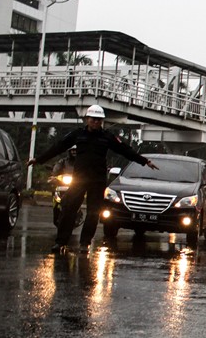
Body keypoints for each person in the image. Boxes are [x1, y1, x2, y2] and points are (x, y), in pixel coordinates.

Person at [29, 105, 158, 253]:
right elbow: (58, 147)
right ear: (87, 120)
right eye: (93, 119)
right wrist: (38, 160)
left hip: (97, 181)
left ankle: (85, 244)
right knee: (69, 209)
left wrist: (144, 161)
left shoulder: (107, 137)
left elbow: (125, 150)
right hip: (79, 179)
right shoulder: (78, 135)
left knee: (93, 213)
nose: (96, 122)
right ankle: (61, 242)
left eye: (99, 120)